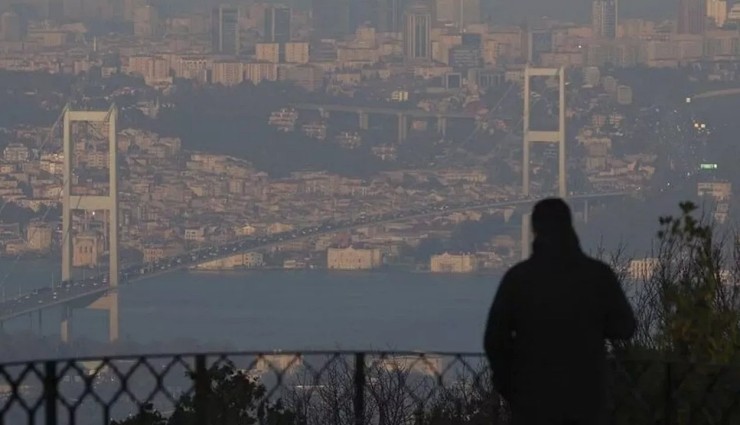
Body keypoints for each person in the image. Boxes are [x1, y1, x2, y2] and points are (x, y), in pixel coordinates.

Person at [484, 198, 636, 425]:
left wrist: (508, 384)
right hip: (586, 396)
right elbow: (625, 327)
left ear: (534, 230)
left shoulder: (518, 279)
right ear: (570, 226)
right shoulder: (597, 275)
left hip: (532, 399)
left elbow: (494, 340)